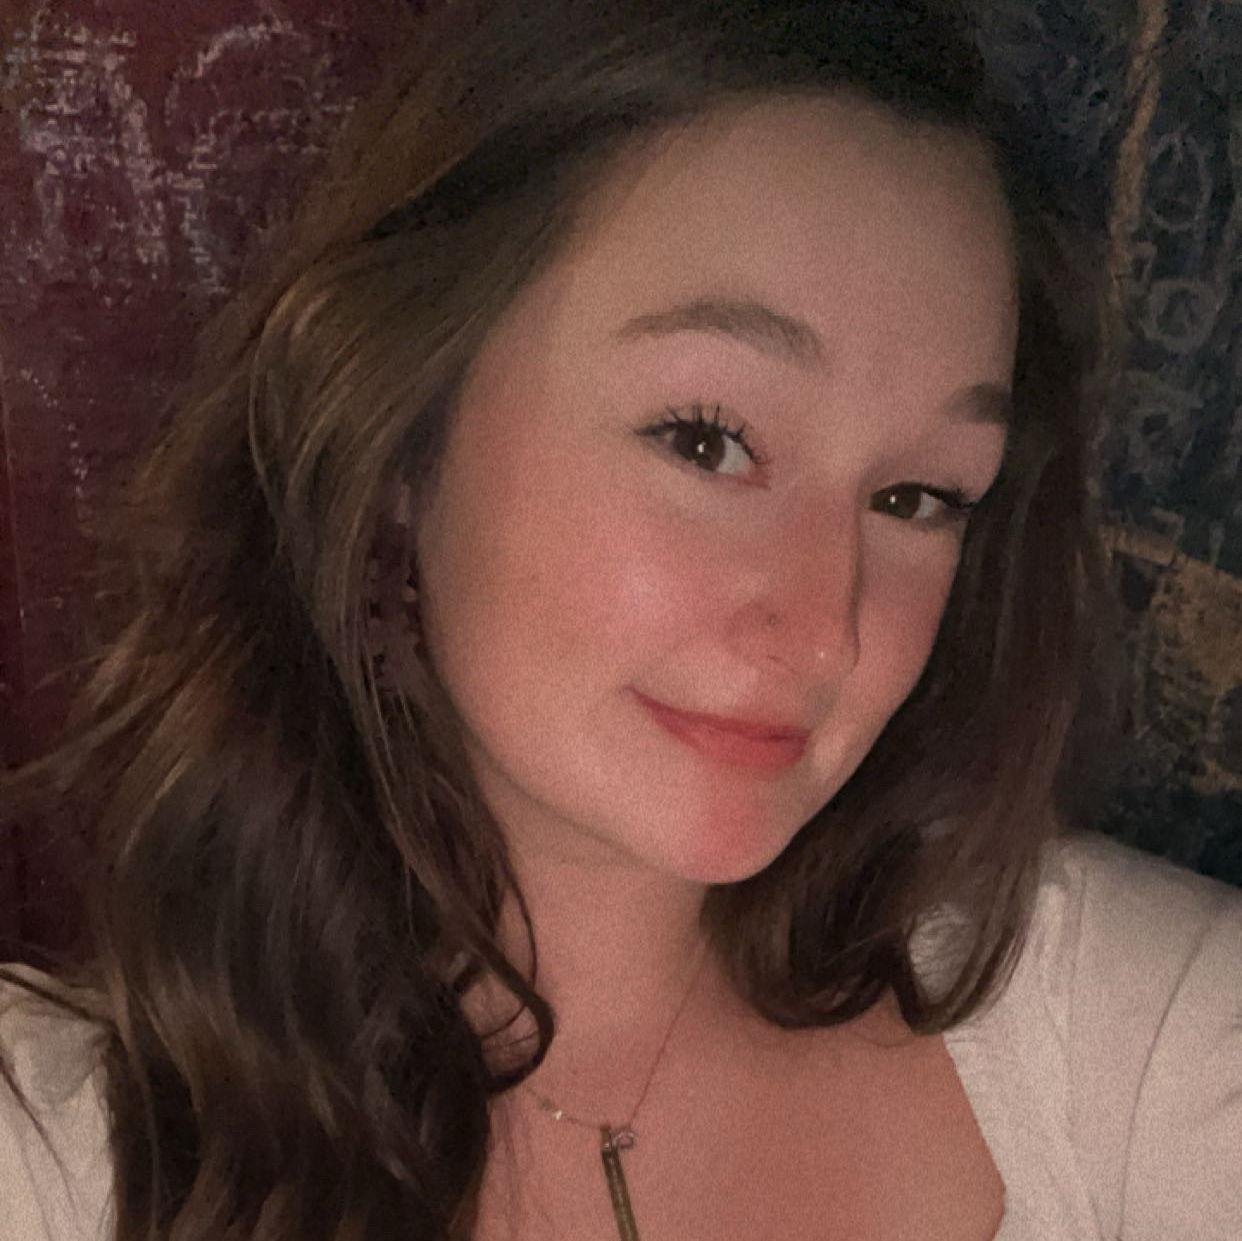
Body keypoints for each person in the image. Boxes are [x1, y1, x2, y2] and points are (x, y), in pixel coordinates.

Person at [1, 1, 1239, 1238]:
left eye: (917, 496)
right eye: (707, 440)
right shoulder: (60, 1154)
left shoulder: (1125, 1037)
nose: (828, 631)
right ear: (402, 435)